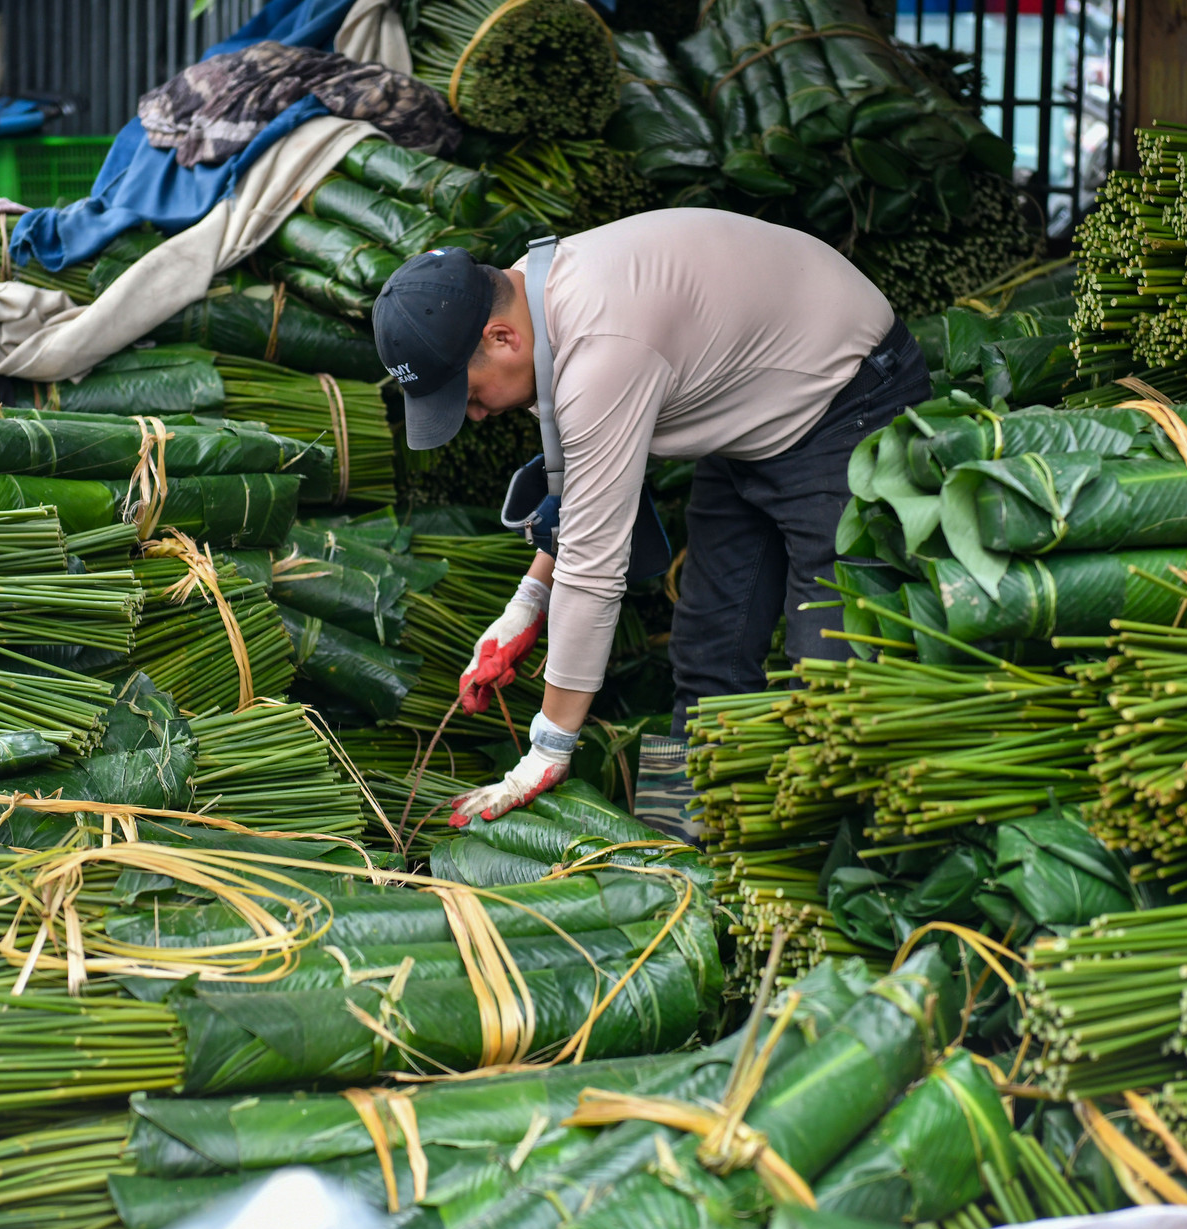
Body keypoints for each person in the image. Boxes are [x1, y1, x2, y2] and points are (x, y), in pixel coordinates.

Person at [372, 207, 931, 830]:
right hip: (747, 413)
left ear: (502, 339)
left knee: (831, 669)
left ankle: (833, 883)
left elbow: (594, 567)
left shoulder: (600, 346)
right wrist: (527, 603)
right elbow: (585, 497)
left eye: (470, 395)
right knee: (705, 653)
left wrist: (547, 750)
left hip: (846, 398)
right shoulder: (532, 298)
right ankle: (684, 855)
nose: (474, 415)